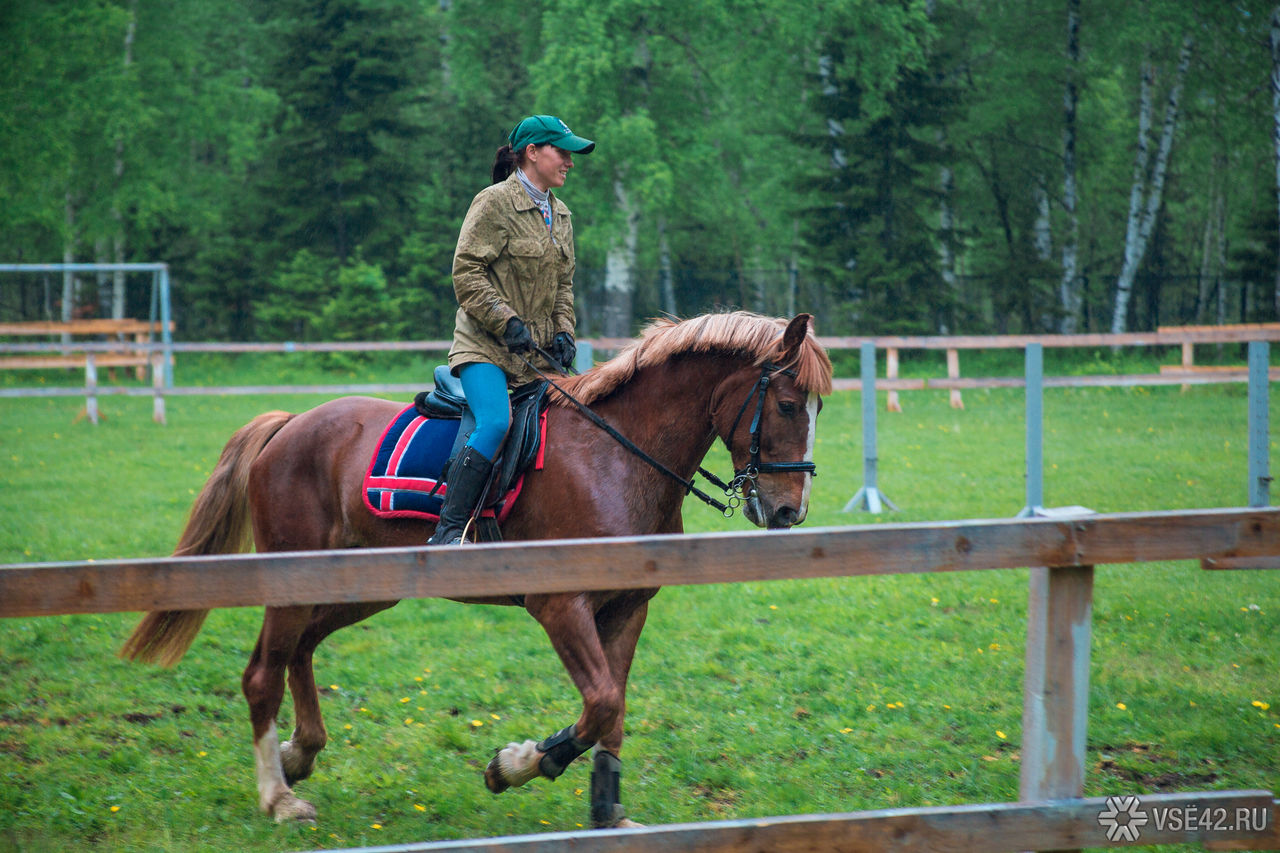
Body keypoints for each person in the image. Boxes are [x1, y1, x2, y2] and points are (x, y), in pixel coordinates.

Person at [427, 115, 595, 545]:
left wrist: (564, 333)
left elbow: (563, 286)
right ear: (533, 152)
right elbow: (466, 273)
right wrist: (508, 322)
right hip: (484, 349)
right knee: (496, 423)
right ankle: (449, 530)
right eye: (562, 151)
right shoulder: (493, 202)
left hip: (535, 356)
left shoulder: (561, 214)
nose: (569, 162)